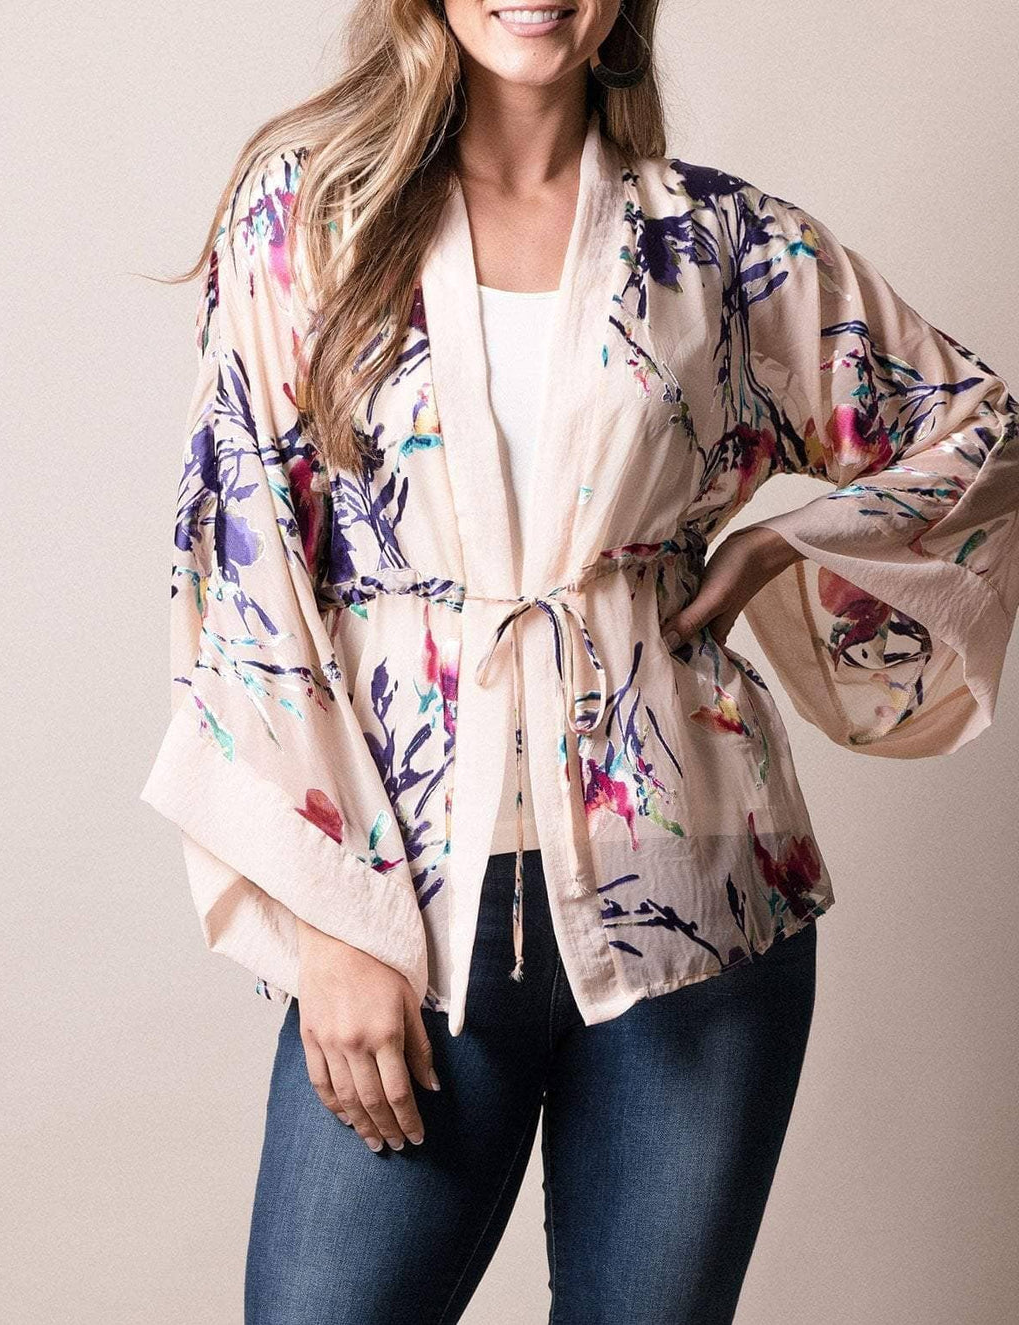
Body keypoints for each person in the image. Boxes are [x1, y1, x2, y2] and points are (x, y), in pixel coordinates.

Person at [139, 2, 1019, 1322]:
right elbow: (244, 571)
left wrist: (784, 547)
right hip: (409, 918)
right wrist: (331, 930)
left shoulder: (714, 242)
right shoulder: (310, 218)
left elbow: (981, 427)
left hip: (699, 905)